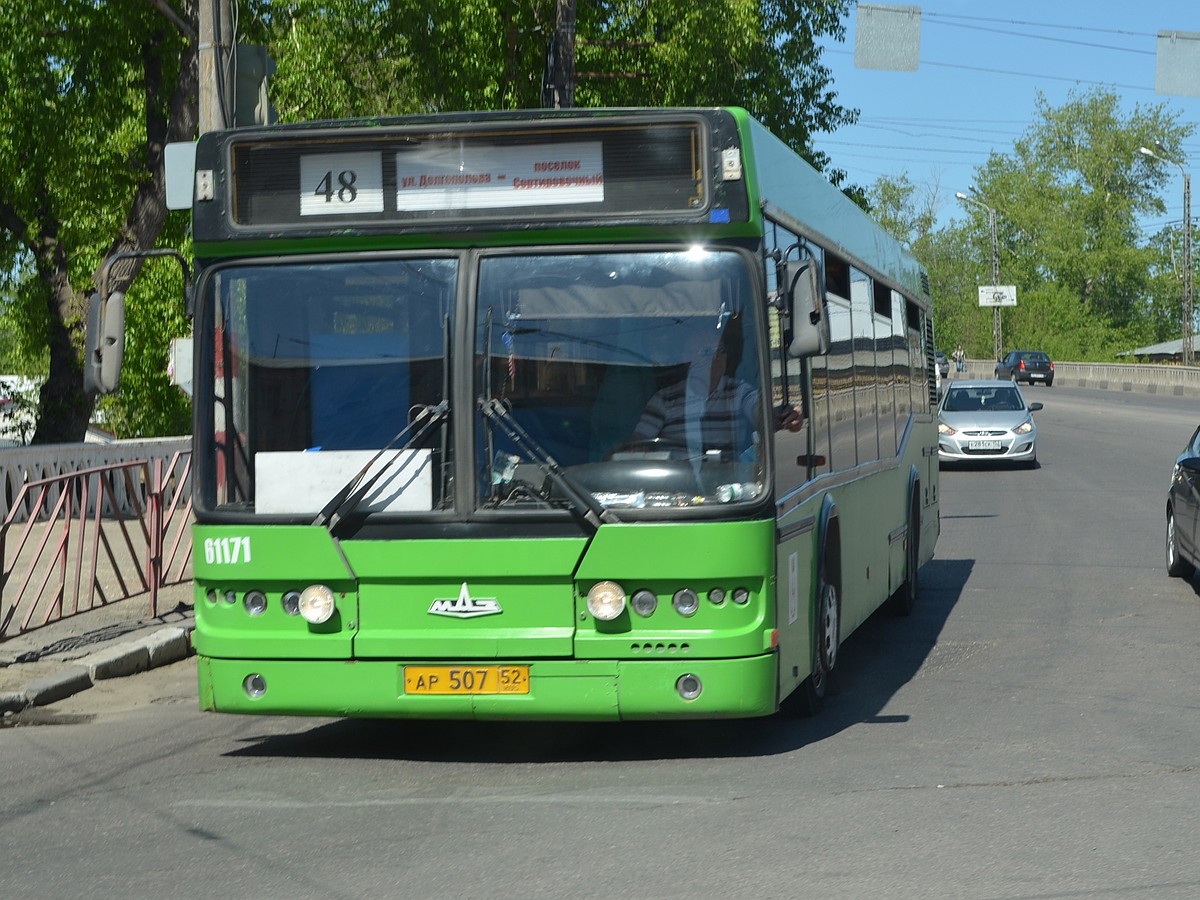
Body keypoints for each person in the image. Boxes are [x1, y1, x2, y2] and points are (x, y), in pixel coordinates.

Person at [629, 316, 802, 460]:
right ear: (686, 358)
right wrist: (631, 451)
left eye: (720, 351)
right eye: (706, 352)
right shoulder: (664, 399)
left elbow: (760, 412)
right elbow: (639, 443)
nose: (716, 358)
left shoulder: (738, 393)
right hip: (675, 492)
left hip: (726, 493)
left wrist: (784, 416)